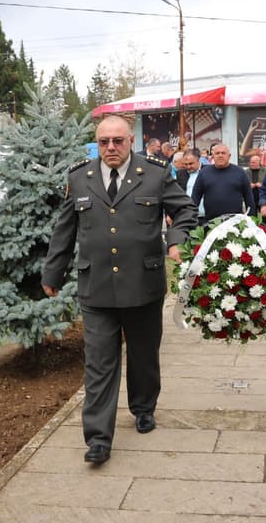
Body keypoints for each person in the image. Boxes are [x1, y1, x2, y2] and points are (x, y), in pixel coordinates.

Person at [43, 116, 197, 465]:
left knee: (143, 356)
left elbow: (185, 210)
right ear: (96, 144)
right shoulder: (79, 176)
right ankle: (98, 438)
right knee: (99, 362)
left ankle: (143, 407)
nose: (111, 148)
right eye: (103, 142)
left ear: (131, 141)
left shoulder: (155, 174)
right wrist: (53, 271)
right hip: (96, 287)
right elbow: (65, 229)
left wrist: (176, 241)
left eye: (118, 141)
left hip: (143, 285)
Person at [191, 142, 254, 222]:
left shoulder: (240, 172)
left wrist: (252, 219)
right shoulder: (204, 173)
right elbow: (195, 197)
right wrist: (191, 218)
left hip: (235, 223)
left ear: (229, 156)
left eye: (223, 153)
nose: (220, 155)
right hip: (211, 223)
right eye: (217, 153)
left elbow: (249, 198)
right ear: (213, 156)